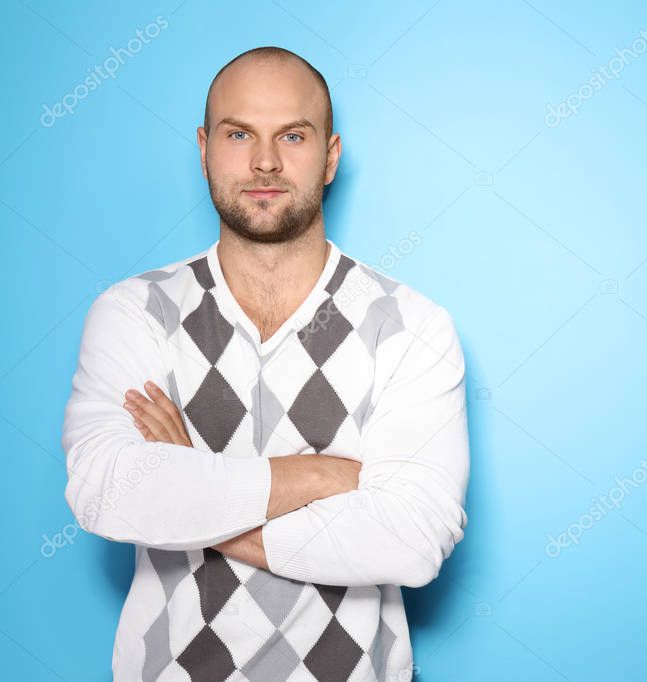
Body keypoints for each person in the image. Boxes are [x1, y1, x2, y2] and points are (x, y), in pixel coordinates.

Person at [62, 45, 470, 682]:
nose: (265, 162)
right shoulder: (135, 312)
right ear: (204, 149)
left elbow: (412, 542)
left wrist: (194, 491)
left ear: (331, 155)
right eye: (238, 134)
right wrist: (325, 477)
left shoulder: (409, 325)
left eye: (294, 135)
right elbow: (108, 492)